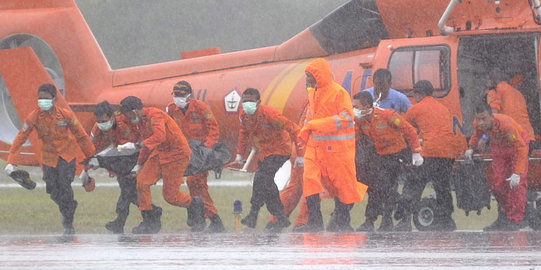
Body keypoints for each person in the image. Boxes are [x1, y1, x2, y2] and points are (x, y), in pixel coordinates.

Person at [4, 84, 95, 235]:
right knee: (52, 190)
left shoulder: (66, 115)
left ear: (54, 99)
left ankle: (68, 223)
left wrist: (91, 157)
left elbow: (81, 136)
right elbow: (21, 137)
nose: (42, 102)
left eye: (46, 99)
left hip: (67, 156)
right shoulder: (34, 117)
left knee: (65, 186)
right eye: (40, 99)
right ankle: (69, 207)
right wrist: (11, 161)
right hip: (48, 158)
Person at [295, 58, 368, 232]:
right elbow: (310, 119)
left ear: (319, 76)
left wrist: (316, 125)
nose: (307, 80)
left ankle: (343, 222)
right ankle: (314, 221)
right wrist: (304, 135)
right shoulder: (313, 94)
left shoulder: (339, 93)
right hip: (316, 149)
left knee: (341, 186)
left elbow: (346, 118)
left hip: (338, 151)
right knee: (310, 180)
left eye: (309, 76)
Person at [119, 96, 205, 232]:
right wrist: (139, 164)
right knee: (142, 182)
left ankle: (195, 204)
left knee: (171, 196)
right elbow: (147, 143)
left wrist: (137, 145)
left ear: (134, 111)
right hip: (160, 152)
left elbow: (159, 136)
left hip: (177, 154)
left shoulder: (155, 115)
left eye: (128, 114)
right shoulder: (139, 122)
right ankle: (149, 220)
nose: (128, 118)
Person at [397, 80, 465, 231]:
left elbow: (405, 131)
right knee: (442, 187)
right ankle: (446, 219)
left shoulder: (415, 109)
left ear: (418, 94)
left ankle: (405, 220)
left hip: (430, 152)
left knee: (414, 184)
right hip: (448, 153)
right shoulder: (443, 108)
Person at [353, 91, 423, 232]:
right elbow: (355, 138)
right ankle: (370, 220)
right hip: (378, 156)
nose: (354, 110)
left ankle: (389, 217)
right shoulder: (360, 120)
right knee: (373, 188)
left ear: (367, 106)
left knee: (386, 187)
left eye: (356, 106)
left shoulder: (387, 115)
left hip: (396, 155)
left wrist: (416, 152)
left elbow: (409, 130)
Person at [89, 101, 162, 234]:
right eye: (98, 121)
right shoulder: (98, 128)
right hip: (122, 159)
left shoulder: (127, 119)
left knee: (130, 191)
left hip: (138, 155)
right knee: (128, 191)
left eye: (104, 120)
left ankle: (140, 218)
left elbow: (144, 134)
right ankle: (149, 214)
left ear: (112, 117)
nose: (101, 124)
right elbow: (91, 147)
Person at [235, 87, 301, 232]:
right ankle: (280, 216)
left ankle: (255, 213)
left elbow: (293, 128)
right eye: (244, 101)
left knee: (261, 178)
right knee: (265, 182)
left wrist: (300, 153)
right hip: (264, 153)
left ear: (258, 102)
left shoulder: (270, 114)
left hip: (280, 150)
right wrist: (239, 154)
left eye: (250, 101)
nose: (247, 104)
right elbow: (243, 133)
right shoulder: (244, 116)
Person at [165, 80, 225, 233]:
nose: (178, 97)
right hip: (184, 153)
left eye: (181, 95)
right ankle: (202, 219)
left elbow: (213, 129)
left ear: (189, 96)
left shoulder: (201, 108)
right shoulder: (171, 110)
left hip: (201, 152)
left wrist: (207, 148)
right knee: (194, 185)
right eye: (176, 94)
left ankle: (211, 218)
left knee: (196, 182)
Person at [465, 102, 529, 231]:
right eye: (478, 119)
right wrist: (471, 147)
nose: (481, 122)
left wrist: (517, 172)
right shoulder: (478, 124)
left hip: (516, 147)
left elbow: (521, 148)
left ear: (492, 117)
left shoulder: (506, 125)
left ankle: (516, 219)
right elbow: (477, 133)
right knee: (498, 185)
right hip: (499, 148)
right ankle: (505, 215)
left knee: (517, 185)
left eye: (484, 119)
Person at [485, 68, 535, 144]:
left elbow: (493, 118)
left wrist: (484, 138)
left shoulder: (494, 91)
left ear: (492, 79)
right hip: (528, 136)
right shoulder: (518, 93)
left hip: (513, 138)